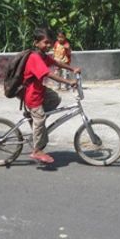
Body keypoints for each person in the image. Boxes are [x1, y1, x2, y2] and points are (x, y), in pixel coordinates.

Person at [23, 27, 81, 164]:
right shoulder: (34, 58)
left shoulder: (43, 56)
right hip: (33, 95)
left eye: (50, 42)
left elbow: (56, 63)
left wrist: (73, 68)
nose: (48, 45)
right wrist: (68, 81)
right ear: (36, 43)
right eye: (45, 43)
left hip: (40, 91)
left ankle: (36, 120)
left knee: (55, 98)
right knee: (40, 117)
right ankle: (37, 151)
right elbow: (49, 74)